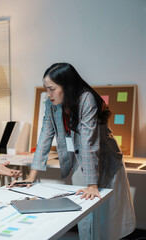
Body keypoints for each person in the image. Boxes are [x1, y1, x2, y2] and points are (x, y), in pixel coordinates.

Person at [10, 63, 135, 239]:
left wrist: (92, 185)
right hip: (79, 157)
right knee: (84, 211)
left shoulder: (86, 99)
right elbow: (45, 137)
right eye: (46, 89)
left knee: (108, 214)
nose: (48, 94)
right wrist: (31, 176)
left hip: (105, 158)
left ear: (66, 86)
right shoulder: (51, 104)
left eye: (52, 89)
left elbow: (88, 143)